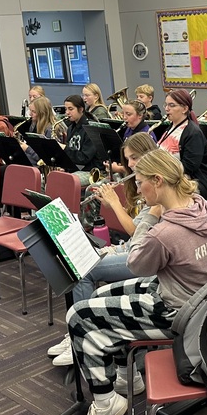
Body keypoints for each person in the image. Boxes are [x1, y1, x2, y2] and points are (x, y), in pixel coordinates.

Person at [63, 149, 207, 415]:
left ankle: (105, 402)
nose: (137, 189)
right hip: (196, 296)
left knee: (78, 315)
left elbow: (136, 262)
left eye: (140, 182)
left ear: (158, 181)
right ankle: (128, 375)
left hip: (176, 311)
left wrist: (149, 216)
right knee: (102, 296)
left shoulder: (165, 233)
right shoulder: (202, 206)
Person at [48, 132, 158, 369]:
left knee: (84, 269)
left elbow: (137, 233)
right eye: (127, 159)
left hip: (143, 257)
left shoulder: (157, 186)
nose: (130, 164)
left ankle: (84, 335)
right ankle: (77, 332)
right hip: (130, 249)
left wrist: (115, 204)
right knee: (75, 260)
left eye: (135, 158)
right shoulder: (141, 183)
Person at [155, 88, 207, 205]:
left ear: (185, 109)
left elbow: (189, 166)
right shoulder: (170, 128)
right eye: (166, 104)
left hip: (193, 180)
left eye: (172, 105)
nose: (166, 109)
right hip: (171, 176)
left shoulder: (193, 133)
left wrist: (163, 173)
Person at [60, 94, 103, 185]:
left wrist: (65, 149)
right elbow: (72, 152)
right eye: (66, 109)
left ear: (81, 109)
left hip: (90, 170)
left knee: (65, 182)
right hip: (76, 168)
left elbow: (84, 158)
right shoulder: (71, 127)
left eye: (71, 109)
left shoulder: (90, 128)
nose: (67, 112)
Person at [18, 96, 65, 165]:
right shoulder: (34, 124)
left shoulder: (51, 129)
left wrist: (27, 149)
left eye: (33, 112)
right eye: (30, 110)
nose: (30, 114)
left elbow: (48, 157)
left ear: (42, 113)